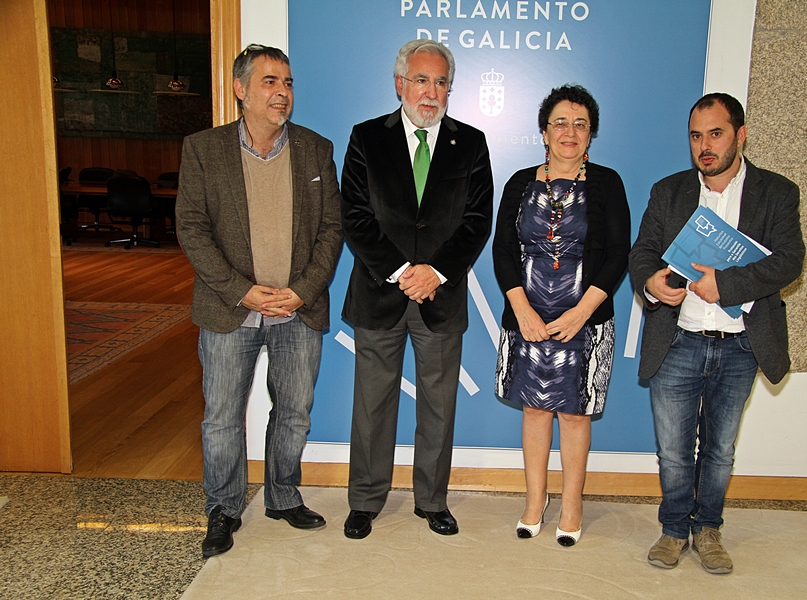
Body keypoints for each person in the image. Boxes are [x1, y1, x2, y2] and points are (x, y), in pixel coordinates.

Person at [176, 44, 343, 558]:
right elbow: (192, 229)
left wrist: (302, 290)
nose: (282, 92)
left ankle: (282, 495)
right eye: (270, 81)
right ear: (240, 89)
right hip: (231, 309)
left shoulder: (316, 148)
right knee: (222, 417)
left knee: (294, 412)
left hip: (297, 307)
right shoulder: (204, 149)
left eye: (288, 82)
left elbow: (332, 230)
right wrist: (243, 291)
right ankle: (223, 508)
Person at [629, 92, 805, 574]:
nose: (704, 145)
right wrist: (651, 283)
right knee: (673, 451)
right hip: (677, 339)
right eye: (696, 135)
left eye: (716, 133)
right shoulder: (669, 191)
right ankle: (672, 529)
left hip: (742, 344)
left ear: (740, 135)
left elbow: (790, 262)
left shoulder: (777, 193)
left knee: (720, 450)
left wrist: (723, 284)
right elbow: (642, 252)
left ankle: (707, 528)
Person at [340, 39, 493, 539]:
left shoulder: (471, 142)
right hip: (380, 292)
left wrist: (435, 272)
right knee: (372, 405)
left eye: (441, 82)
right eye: (422, 80)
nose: (431, 92)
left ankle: (431, 500)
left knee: (438, 406)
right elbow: (355, 217)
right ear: (400, 83)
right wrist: (404, 270)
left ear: (450, 88)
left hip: (440, 297)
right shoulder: (366, 138)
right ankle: (364, 501)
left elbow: (476, 222)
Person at [493, 84, 631, 547]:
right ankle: (536, 500)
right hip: (527, 314)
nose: (569, 132)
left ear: (591, 134)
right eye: (560, 123)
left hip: (586, 317)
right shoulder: (518, 182)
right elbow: (503, 250)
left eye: (580, 124)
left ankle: (571, 503)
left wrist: (581, 313)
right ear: (543, 132)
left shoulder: (608, 182)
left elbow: (617, 254)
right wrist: (521, 309)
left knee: (574, 415)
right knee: (534, 410)